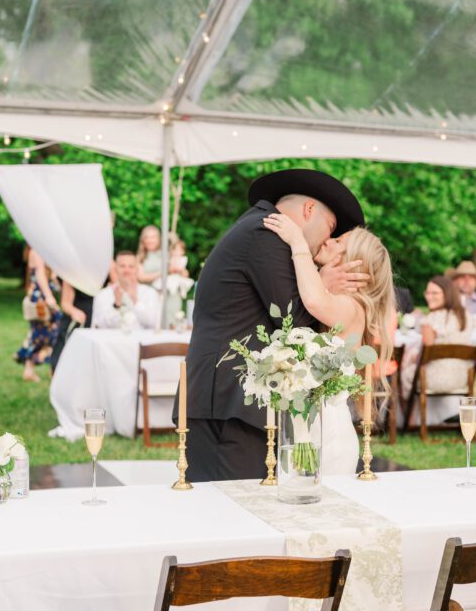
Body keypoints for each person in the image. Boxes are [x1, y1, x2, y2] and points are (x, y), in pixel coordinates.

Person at [173, 168, 368, 482]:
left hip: (231, 403)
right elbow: (296, 324)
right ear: (309, 210)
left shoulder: (258, 230)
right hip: (225, 404)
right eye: (330, 229)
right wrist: (322, 284)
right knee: (233, 511)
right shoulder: (266, 234)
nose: (326, 243)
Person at [264, 218, 396, 473]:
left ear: (352, 262)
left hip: (328, 432)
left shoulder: (351, 307)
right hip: (311, 425)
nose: (328, 239)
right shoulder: (339, 302)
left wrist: (298, 242)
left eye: (338, 242)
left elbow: (313, 301)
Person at [400, 275, 473, 399]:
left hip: (436, 379)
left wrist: (409, 359)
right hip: (461, 376)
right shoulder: (465, 315)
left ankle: (409, 417)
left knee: (404, 371)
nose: (429, 297)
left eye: (434, 293)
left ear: (447, 294)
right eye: (427, 293)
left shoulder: (430, 320)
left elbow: (426, 354)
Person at [14, 247, 62, 382]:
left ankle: (33, 367)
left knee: (43, 333)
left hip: (42, 297)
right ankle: (33, 366)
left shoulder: (44, 251)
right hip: (41, 299)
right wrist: (48, 297)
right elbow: (40, 275)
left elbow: (50, 276)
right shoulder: (37, 250)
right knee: (43, 333)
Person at [92, 251, 159, 329]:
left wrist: (135, 300)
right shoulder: (103, 294)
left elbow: (152, 323)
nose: (127, 270)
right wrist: (117, 305)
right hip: (113, 340)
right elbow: (100, 325)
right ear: (116, 268)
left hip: (142, 340)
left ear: (136, 269)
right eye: (122, 266)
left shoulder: (149, 293)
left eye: (131, 266)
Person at [50, 280, 97, 371]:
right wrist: (73, 312)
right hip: (76, 322)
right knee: (61, 361)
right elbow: (65, 304)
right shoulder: (72, 274)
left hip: (96, 323)